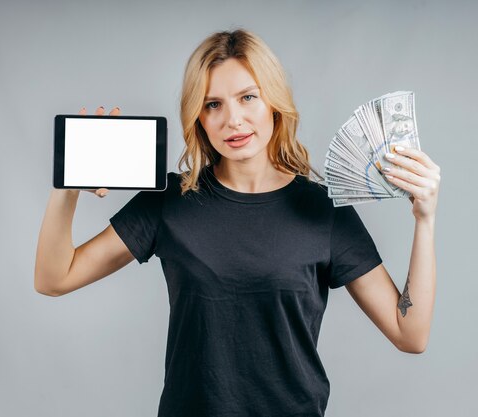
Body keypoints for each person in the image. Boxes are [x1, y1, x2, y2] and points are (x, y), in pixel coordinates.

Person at [35, 28, 441, 417]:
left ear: (273, 103)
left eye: (248, 97)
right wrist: (67, 184)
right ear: (199, 117)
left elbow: (411, 334)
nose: (233, 120)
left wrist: (425, 220)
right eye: (213, 104)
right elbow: (54, 278)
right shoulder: (169, 203)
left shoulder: (323, 210)